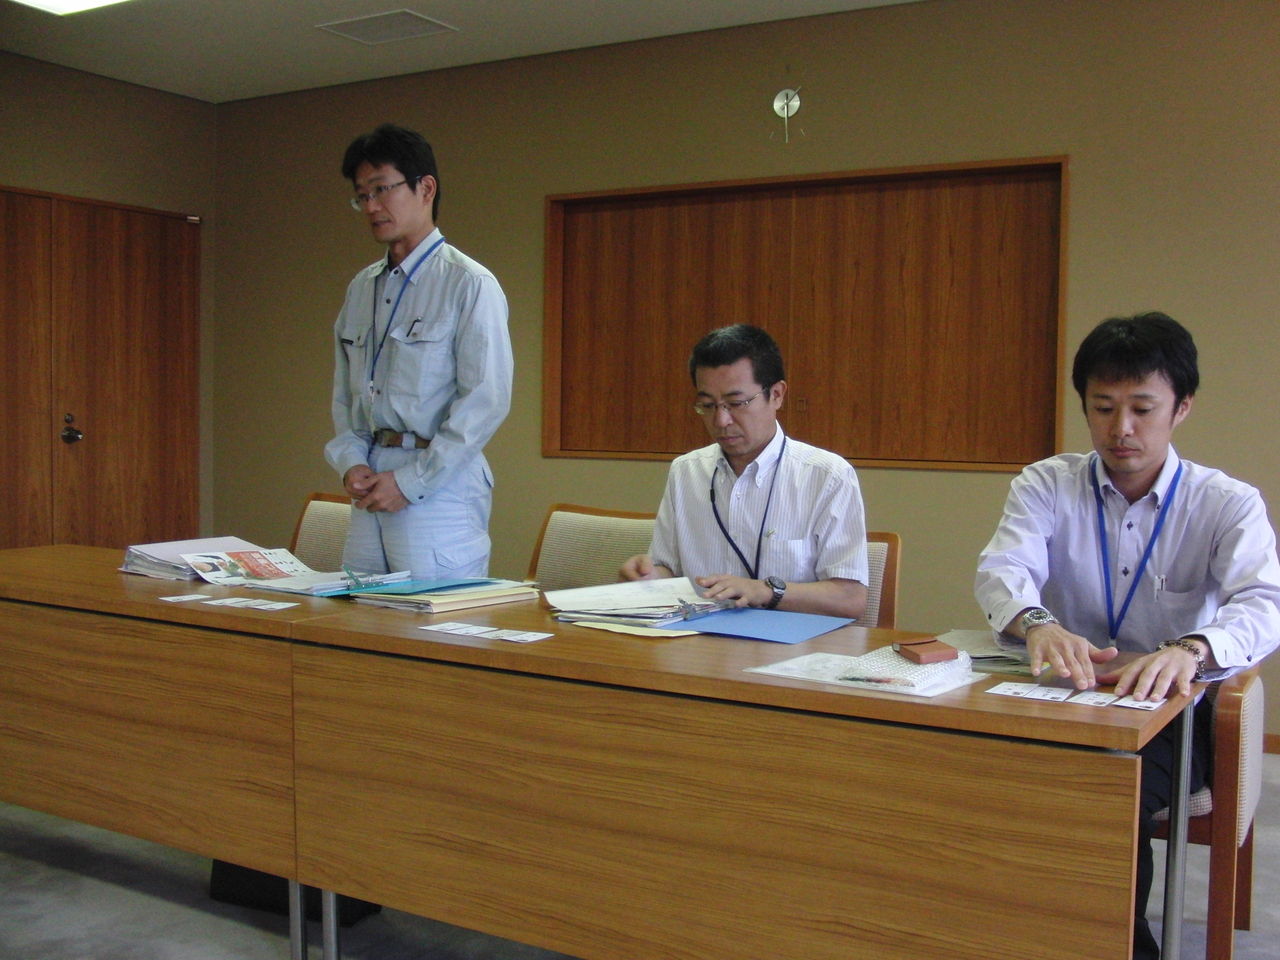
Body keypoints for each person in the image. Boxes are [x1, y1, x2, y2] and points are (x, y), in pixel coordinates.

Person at [974, 312, 1280, 960]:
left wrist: (1192, 649)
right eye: (1103, 407)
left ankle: (1118, 947)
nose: (1122, 429)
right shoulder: (1046, 483)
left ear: (1182, 406)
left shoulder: (1225, 502)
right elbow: (1003, 569)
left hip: (1169, 710)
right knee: (976, 773)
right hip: (1059, 691)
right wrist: (1038, 622)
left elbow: (1264, 602)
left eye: (1142, 408)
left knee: (1110, 788)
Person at [325, 123, 513, 579]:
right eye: (361, 196)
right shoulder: (361, 288)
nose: (371, 206)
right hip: (371, 476)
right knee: (358, 610)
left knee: (432, 615)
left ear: (425, 188)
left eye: (381, 189)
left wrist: (413, 482)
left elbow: (485, 401)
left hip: (439, 483)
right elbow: (346, 396)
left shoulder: (468, 283)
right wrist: (350, 461)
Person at [621, 324, 868, 619]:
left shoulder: (827, 476)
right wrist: (648, 578)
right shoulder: (685, 472)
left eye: (736, 403)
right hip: (697, 638)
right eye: (707, 405)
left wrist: (765, 591)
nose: (721, 420)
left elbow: (850, 598)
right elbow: (667, 569)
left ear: (776, 394)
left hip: (791, 642)